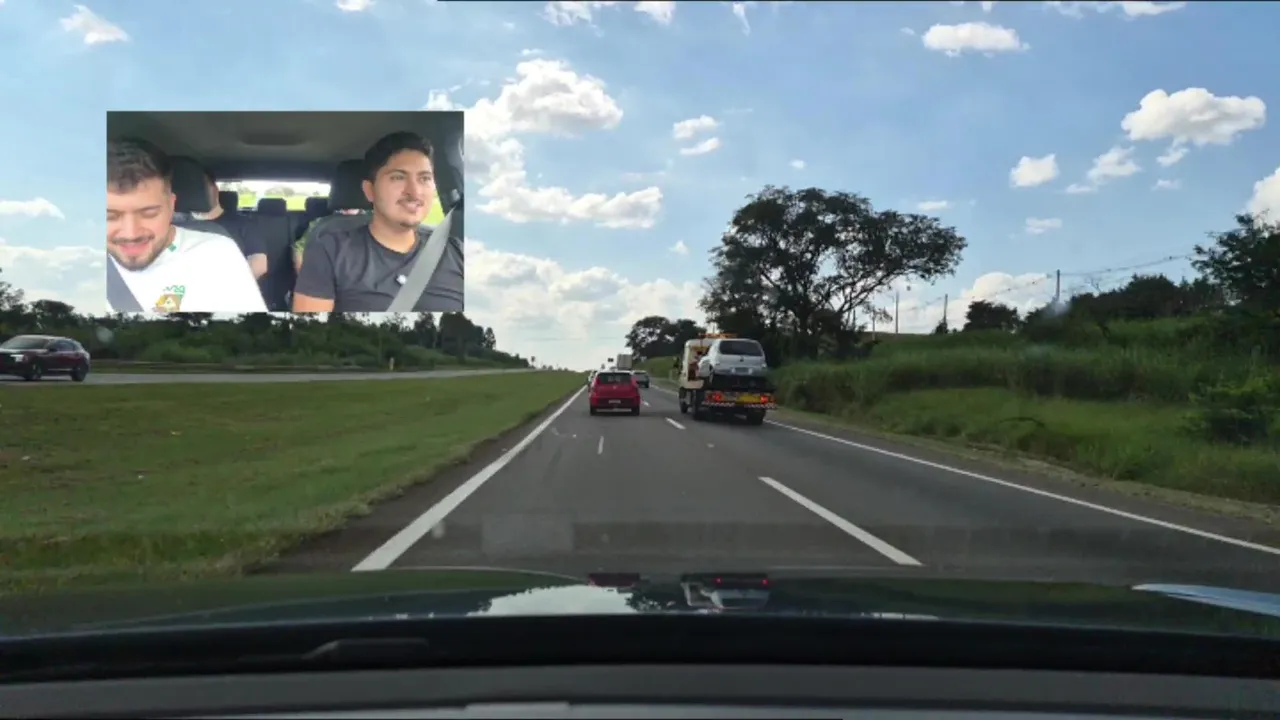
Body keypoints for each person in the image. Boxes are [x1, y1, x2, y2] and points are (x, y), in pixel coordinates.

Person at [291, 131, 464, 313]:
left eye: (424, 178)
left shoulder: (457, 251)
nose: (415, 192)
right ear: (370, 190)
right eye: (398, 177)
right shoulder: (330, 249)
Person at [106, 138, 268, 313]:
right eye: (109, 216)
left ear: (171, 206)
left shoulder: (216, 253)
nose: (131, 233)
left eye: (149, 213)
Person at [195, 167, 268, 281]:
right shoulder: (179, 225)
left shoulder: (244, 224)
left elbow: (259, 264)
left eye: (202, 186)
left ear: (215, 189)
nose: (198, 192)